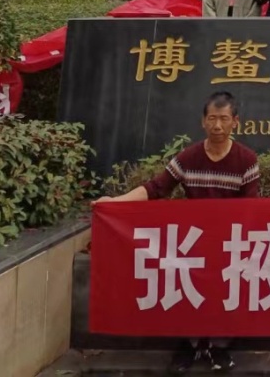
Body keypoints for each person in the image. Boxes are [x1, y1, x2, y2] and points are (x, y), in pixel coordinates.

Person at [94, 91, 259, 374]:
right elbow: (155, 188)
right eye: (212, 119)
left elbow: (251, 209)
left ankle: (218, 347)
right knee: (185, 289)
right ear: (203, 122)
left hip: (229, 243)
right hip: (192, 243)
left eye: (224, 119)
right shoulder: (188, 157)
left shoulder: (247, 160)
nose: (217, 126)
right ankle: (188, 346)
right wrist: (114, 203)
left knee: (227, 293)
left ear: (235, 122)